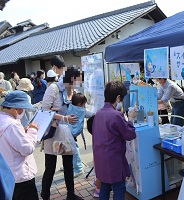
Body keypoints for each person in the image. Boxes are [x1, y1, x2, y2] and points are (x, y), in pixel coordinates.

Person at [40, 55, 82, 200]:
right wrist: (64, 118)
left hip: (66, 133)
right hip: (53, 133)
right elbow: (45, 110)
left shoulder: (72, 92)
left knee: (68, 165)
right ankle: (45, 195)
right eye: (76, 81)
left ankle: (71, 194)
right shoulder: (54, 88)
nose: (77, 84)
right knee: (50, 168)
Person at [92, 81, 138, 200]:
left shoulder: (99, 113)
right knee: (119, 189)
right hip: (114, 160)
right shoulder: (116, 115)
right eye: (122, 99)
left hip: (100, 158)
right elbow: (129, 134)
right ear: (118, 98)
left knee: (105, 188)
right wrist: (131, 118)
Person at [0, 90, 39, 200]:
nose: (23, 112)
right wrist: (32, 131)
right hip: (21, 176)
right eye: (22, 109)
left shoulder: (3, 120)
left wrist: (22, 131)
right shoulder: (12, 125)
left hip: (8, 175)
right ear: (15, 108)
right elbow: (27, 149)